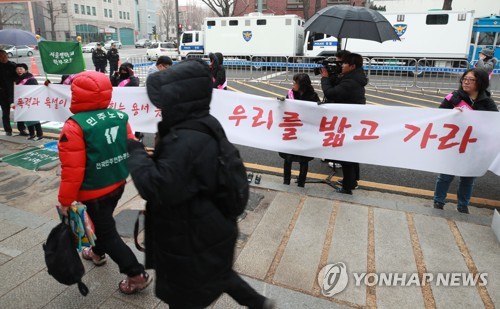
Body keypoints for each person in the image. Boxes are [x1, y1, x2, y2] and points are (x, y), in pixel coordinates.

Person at [126, 59, 274, 309]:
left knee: (184, 295)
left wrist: (135, 151)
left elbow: (158, 187)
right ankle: (260, 303)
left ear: (179, 99)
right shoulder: (203, 123)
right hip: (211, 224)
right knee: (218, 272)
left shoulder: (184, 138)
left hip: (190, 235)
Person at [56, 71, 152, 294]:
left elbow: (73, 170)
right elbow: (131, 147)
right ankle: (97, 253)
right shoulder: (119, 117)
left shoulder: (75, 126)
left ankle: (136, 274)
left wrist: (65, 200)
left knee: (106, 232)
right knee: (103, 223)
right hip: (117, 183)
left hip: (93, 191)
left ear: (77, 94)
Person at [433, 68, 498, 214]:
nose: (466, 82)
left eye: (471, 79)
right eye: (464, 78)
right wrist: (452, 114)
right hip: (453, 144)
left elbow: (493, 124)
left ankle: (463, 205)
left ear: (480, 82)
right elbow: (437, 116)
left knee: (468, 179)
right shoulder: (453, 98)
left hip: (474, 147)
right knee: (445, 176)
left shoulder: (488, 103)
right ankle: (438, 202)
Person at [319, 52, 367, 195]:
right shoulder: (354, 77)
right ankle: (351, 181)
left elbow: (331, 93)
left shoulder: (351, 82)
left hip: (347, 121)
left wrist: (325, 79)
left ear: (352, 66)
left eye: (344, 64)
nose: (342, 66)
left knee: (346, 154)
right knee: (350, 153)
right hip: (350, 119)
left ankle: (347, 187)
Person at [279, 73, 319, 187]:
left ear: (302, 85)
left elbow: (317, 114)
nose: (293, 85)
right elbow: (285, 108)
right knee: (288, 157)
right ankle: (286, 180)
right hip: (292, 129)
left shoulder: (313, 97)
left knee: (304, 159)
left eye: (295, 83)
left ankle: (301, 182)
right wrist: (282, 102)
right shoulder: (291, 94)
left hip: (305, 131)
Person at [111, 62, 142, 140]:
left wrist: (131, 75)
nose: (123, 72)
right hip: (119, 105)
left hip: (130, 105)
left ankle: (136, 138)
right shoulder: (118, 78)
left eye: (126, 70)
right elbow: (111, 86)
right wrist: (114, 77)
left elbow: (135, 85)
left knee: (133, 123)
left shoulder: (134, 78)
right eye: (122, 70)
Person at [14, 63, 43, 140]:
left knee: (34, 119)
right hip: (23, 102)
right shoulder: (18, 79)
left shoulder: (31, 79)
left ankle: (39, 135)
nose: (18, 71)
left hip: (31, 102)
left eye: (21, 69)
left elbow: (35, 90)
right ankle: (32, 134)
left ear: (26, 70)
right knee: (27, 119)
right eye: (17, 69)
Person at [0, 49, 18, 136]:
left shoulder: (13, 65)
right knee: (5, 112)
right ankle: (8, 130)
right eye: (0, 56)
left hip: (14, 92)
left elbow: (21, 74)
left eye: (4, 55)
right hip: (2, 94)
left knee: (19, 110)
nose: (3, 57)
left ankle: (22, 129)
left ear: (7, 55)